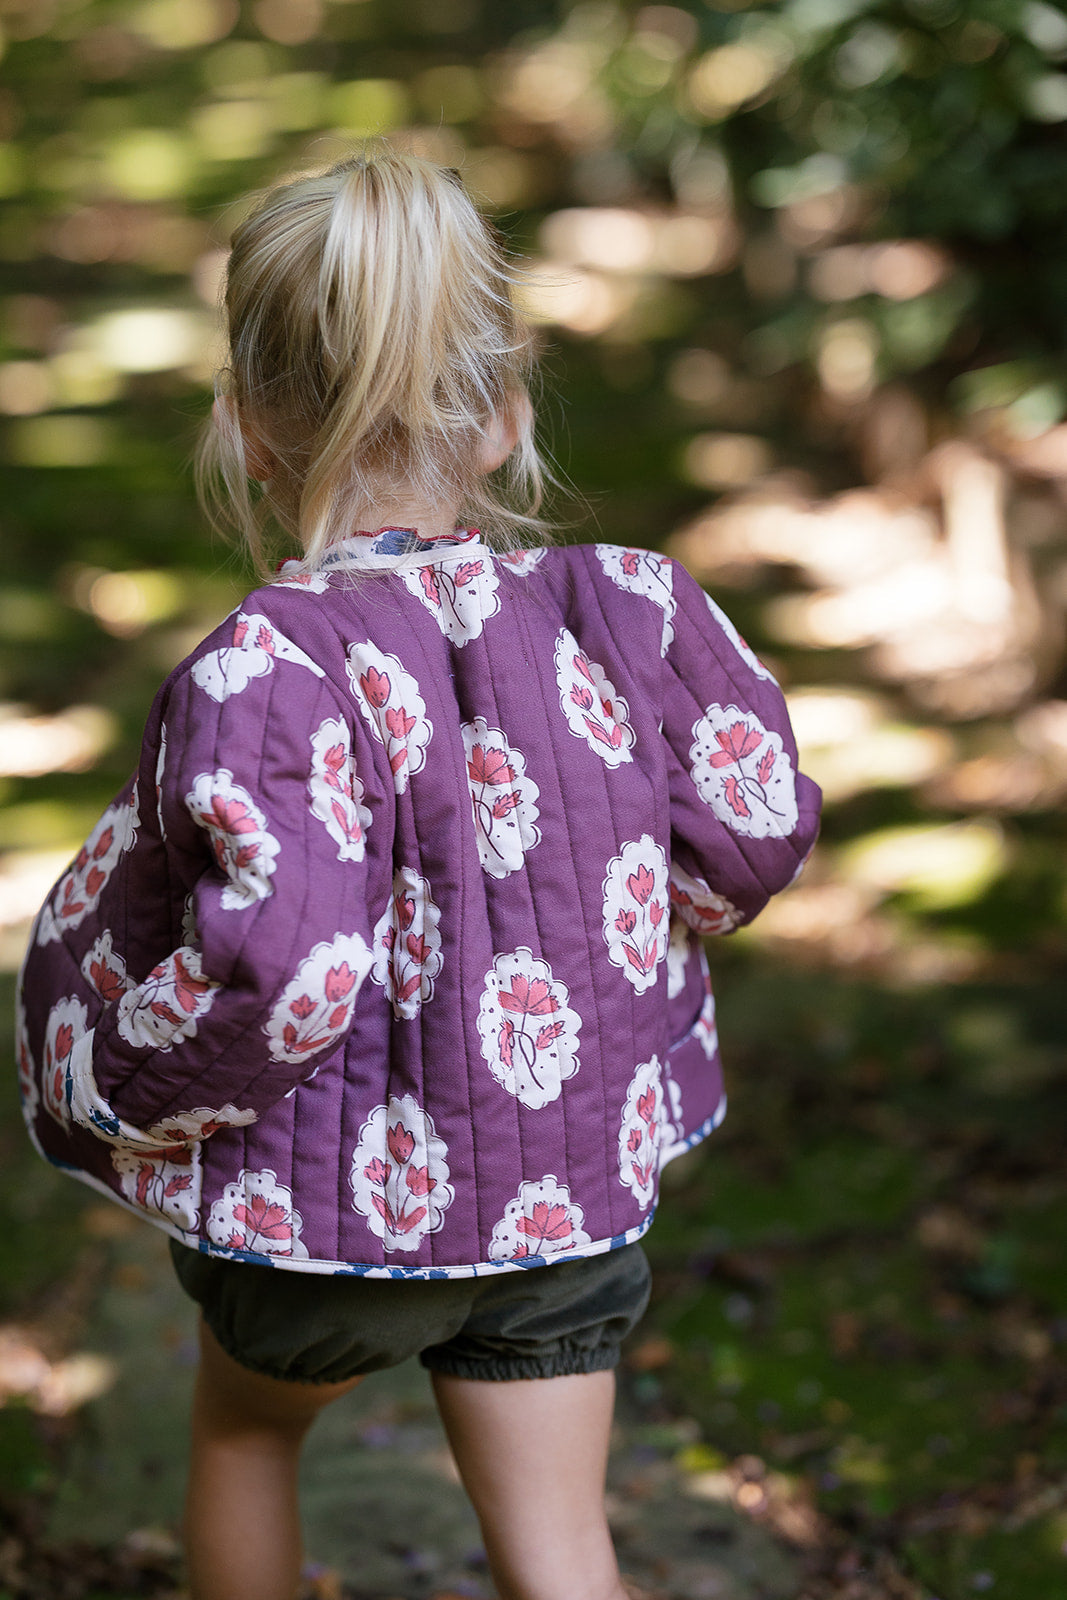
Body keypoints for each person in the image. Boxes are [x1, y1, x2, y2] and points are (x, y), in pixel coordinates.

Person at [17, 148, 822, 1600]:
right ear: (509, 410)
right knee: (563, 1542)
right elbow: (752, 833)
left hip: (322, 1231)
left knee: (249, 1438)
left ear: (248, 432)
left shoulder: (268, 669)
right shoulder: (628, 617)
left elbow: (285, 962)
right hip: (562, 1197)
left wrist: (123, 1087)